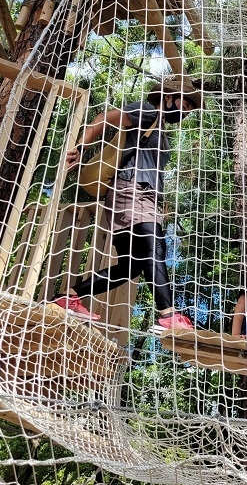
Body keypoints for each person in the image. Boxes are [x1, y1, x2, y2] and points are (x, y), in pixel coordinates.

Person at [52, 75, 201, 326]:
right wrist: (81, 146)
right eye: (184, 105)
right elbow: (105, 117)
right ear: (168, 98)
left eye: (188, 110)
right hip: (132, 190)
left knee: (130, 267)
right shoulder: (149, 112)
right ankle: (168, 315)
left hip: (141, 196)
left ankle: (69, 297)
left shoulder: (162, 130)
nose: (185, 112)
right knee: (155, 246)